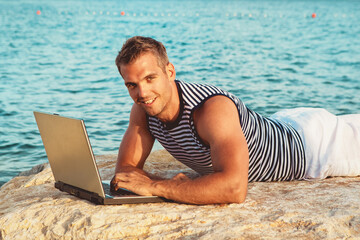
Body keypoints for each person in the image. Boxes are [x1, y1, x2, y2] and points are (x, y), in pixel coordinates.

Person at [111, 36, 360, 205]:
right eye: (131, 85)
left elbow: (234, 188)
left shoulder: (210, 110)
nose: (142, 93)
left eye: (150, 79)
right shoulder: (143, 109)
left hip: (315, 147)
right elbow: (125, 171)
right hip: (283, 122)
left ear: (170, 72)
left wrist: (158, 187)